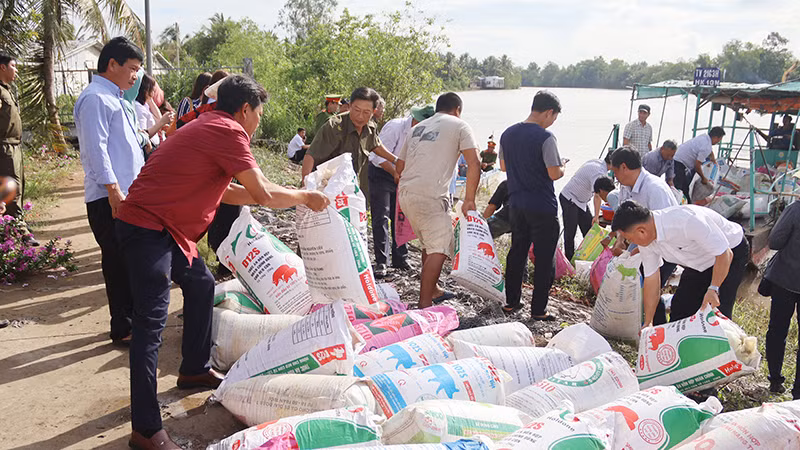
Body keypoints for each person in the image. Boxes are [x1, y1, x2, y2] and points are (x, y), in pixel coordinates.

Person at [115, 75, 329, 449]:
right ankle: (145, 430)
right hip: (148, 228)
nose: (259, 121)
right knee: (150, 326)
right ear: (245, 109)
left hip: (167, 228)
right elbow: (262, 193)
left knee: (200, 284)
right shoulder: (228, 131)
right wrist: (303, 197)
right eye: (259, 114)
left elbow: (227, 191)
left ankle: (194, 369)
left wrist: (288, 195)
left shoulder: (208, 125)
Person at [74, 37, 145, 346]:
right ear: (112, 64)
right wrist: (113, 190)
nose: (135, 76)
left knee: (129, 260)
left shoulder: (114, 97)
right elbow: (96, 150)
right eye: (132, 68)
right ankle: (123, 326)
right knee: (117, 262)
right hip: (109, 197)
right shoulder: (95, 99)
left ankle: (132, 321)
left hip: (125, 194)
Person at [397, 92, 480, 308]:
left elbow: (399, 166)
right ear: (457, 110)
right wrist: (469, 199)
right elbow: (474, 162)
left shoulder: (417, 128)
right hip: (431, 195)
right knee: (439, 248)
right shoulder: (460, 125)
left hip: (406, 194)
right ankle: (424, 304)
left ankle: (433, 290)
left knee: (429, 242)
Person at [611, 201, 749, 327]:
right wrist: (649, 321)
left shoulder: (686, 221)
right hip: (698, 263)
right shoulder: (646, 241)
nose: (631, 243)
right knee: (680, 311)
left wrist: (713, 288)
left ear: (641, 231)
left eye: (629, 239)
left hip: (729, 254)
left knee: (717, 315)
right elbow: (651, 278)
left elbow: (725, 253)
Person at [501, 90, 564, 319]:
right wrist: (563, 167)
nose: (552, 122)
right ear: (549, 112)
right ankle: (538, 310)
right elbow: (554, 173)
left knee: (517, 252)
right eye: (554, 117)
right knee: (544, 259)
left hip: (516, 204)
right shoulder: (546, 137)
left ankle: (511, 302)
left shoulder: (508, 134)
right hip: (542, 206)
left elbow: (504, 167)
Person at [611, 146, 678, 324]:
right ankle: (645, 324)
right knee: (638, 281)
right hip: (646, 243)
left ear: (624, 167)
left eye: (615, 172)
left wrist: (636, 251)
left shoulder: (655, 189)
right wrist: (620, 239)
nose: (615, 177)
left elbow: (664, 230)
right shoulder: (626, 187)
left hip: (666, 247)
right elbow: (624, 217)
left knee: (649, 285)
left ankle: (656, 327)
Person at [369, 104, 435, 278]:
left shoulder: (426, 134)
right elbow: (377, 156)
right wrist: (395, 173)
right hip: (381, 173)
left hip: (402, 176)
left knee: (401, 216)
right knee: (382, 216)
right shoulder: (395, 127)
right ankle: (381, 261)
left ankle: (400, 258)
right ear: (415, 119)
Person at [302, 87, 398, 192]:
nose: (360, 116)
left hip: (354, 189)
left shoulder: (370, 126)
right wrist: (306, 188)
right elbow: (311, 155)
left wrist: (396, 160)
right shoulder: (335, 126)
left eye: (366, 112)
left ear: (373, 112)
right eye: (357, 110)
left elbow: (375, 144)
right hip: (327, 187)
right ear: (350, 106)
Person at [0, 52, 37, 246]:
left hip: (14, 146)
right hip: (4, 147)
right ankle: (21, 231)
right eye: (13, 66)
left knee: (18, 187)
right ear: (2, 67)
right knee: (10, 189)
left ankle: (15, 226)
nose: (16, 70)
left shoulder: (7, 90)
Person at [763, 201, 800, 397]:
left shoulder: (795, 209)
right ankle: (798, 394)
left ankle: (775, 380)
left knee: (777, 331)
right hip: (786, 280)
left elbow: (775, 242)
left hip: (784, 279)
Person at [558, 151, 614, 261]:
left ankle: (588, 258)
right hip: (570, 198)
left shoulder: (598, 163)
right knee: (570, 233)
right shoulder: (599, 173)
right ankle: (569, 262)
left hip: (581, 202)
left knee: (589, 230)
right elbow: (597, 195)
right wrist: (596, 216)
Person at [674, 127, 724, 203]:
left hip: (678, 157)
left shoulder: (704, 137)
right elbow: (697, 165)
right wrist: (703, 178)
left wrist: (713, 160)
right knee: (678, 189)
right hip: (678, 162)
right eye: (719, 140)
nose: (718, 142)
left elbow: (710, 151)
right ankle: (677, 205)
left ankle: (687, 203)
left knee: (685, 188)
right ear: (716, 137)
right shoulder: (706, 147)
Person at [134, 73, 174, 150]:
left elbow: (159, 119)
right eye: (152, 90)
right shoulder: (138, 108)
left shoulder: (145, 105)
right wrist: (161, 123)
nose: (153, 94)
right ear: (145, 90)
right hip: (150, 147)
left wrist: (150, 99)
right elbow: (143, 134)